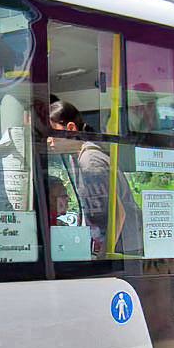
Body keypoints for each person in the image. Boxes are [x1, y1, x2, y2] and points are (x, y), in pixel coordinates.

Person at [48, 100, 142, 257]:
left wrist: (104, 255)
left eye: (52, 133)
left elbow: (118, 213)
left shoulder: (90, 161)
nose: (48, 140)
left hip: (123, 246)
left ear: (70, 129)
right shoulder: (75, 158)